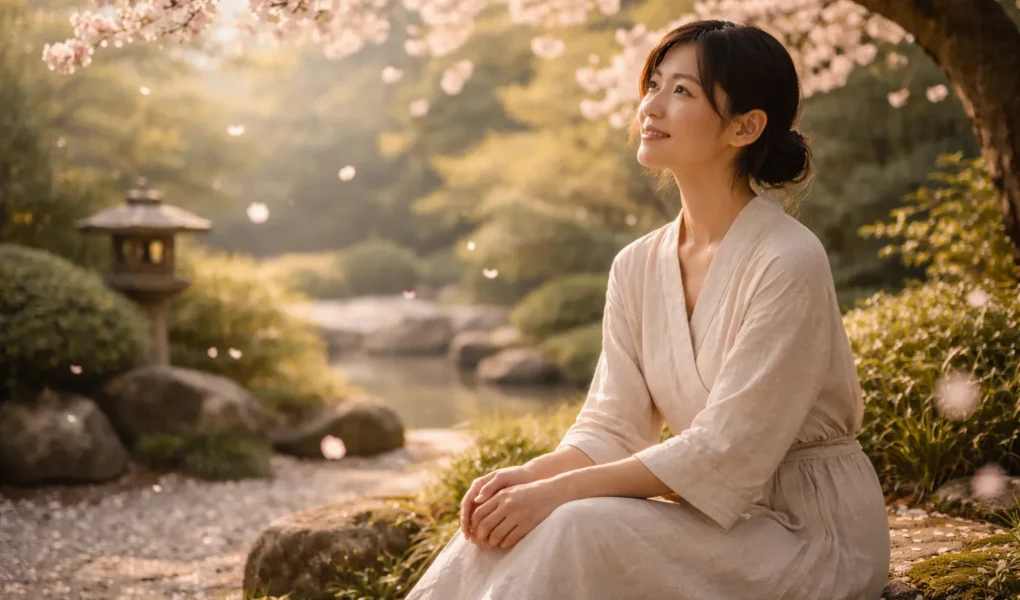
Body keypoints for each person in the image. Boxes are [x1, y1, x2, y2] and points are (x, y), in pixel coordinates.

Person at [405, 19, 890, 600]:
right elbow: (614, 425)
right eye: (653, 84)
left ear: (746, 126)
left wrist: (560, 494)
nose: (651, 106)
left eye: (681, 91)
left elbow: (726, 447)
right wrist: (530, 478)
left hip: (810, 533)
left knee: (575, 522)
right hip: (715, 520)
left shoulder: (789, 259)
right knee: (500, 526)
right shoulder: (636, 265)